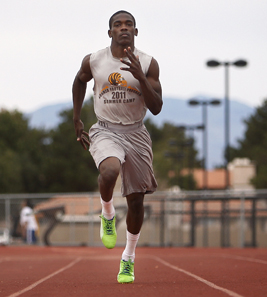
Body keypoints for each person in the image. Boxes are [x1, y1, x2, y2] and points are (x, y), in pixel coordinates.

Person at [72, 10, 162, 283]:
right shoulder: (95, 60)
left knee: (136, 201)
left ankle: (128, 259)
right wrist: (76, 118)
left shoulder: (148, 63)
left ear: (135, 32)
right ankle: (107, 214)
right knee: (109, 172)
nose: (123, 28)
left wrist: (141, 77)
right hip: (105, 129)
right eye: (117, 25)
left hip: (136, 133)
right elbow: (79, 80)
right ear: (110, 32)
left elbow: (156, 108)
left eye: (129, 25)